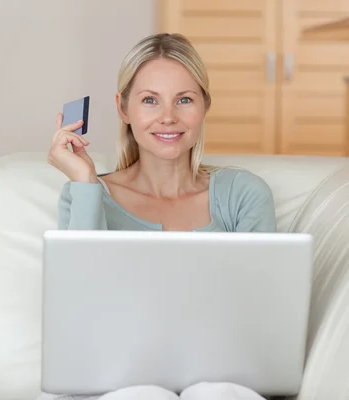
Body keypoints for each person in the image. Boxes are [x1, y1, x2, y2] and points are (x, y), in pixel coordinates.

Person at [41, 33, 277, 400]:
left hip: (220, 380)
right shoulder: (85, 195)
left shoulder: (242, 194)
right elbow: (80, 318)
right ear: (123, 109)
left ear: (204, 106)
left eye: (184, 99)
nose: (168, 117)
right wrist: (85, 183)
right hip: (113, 384)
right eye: (150, 100)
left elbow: (261, 318)